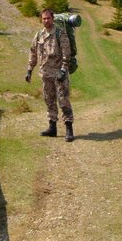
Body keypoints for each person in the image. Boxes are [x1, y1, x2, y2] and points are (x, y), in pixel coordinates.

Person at [26, 8, 75, 142]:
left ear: (52, 19)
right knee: (49, 101)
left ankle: (69, 128)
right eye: (44, 18)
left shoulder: (60, 34)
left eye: (48, 18)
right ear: (41, 20)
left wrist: (64, 70)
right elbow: (33, 52)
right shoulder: (39, 35)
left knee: (63, 101)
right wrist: (29, 69)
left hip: (59, 75)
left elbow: (67, 53)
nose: (46, 20)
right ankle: (52, 128)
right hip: (45, 74)